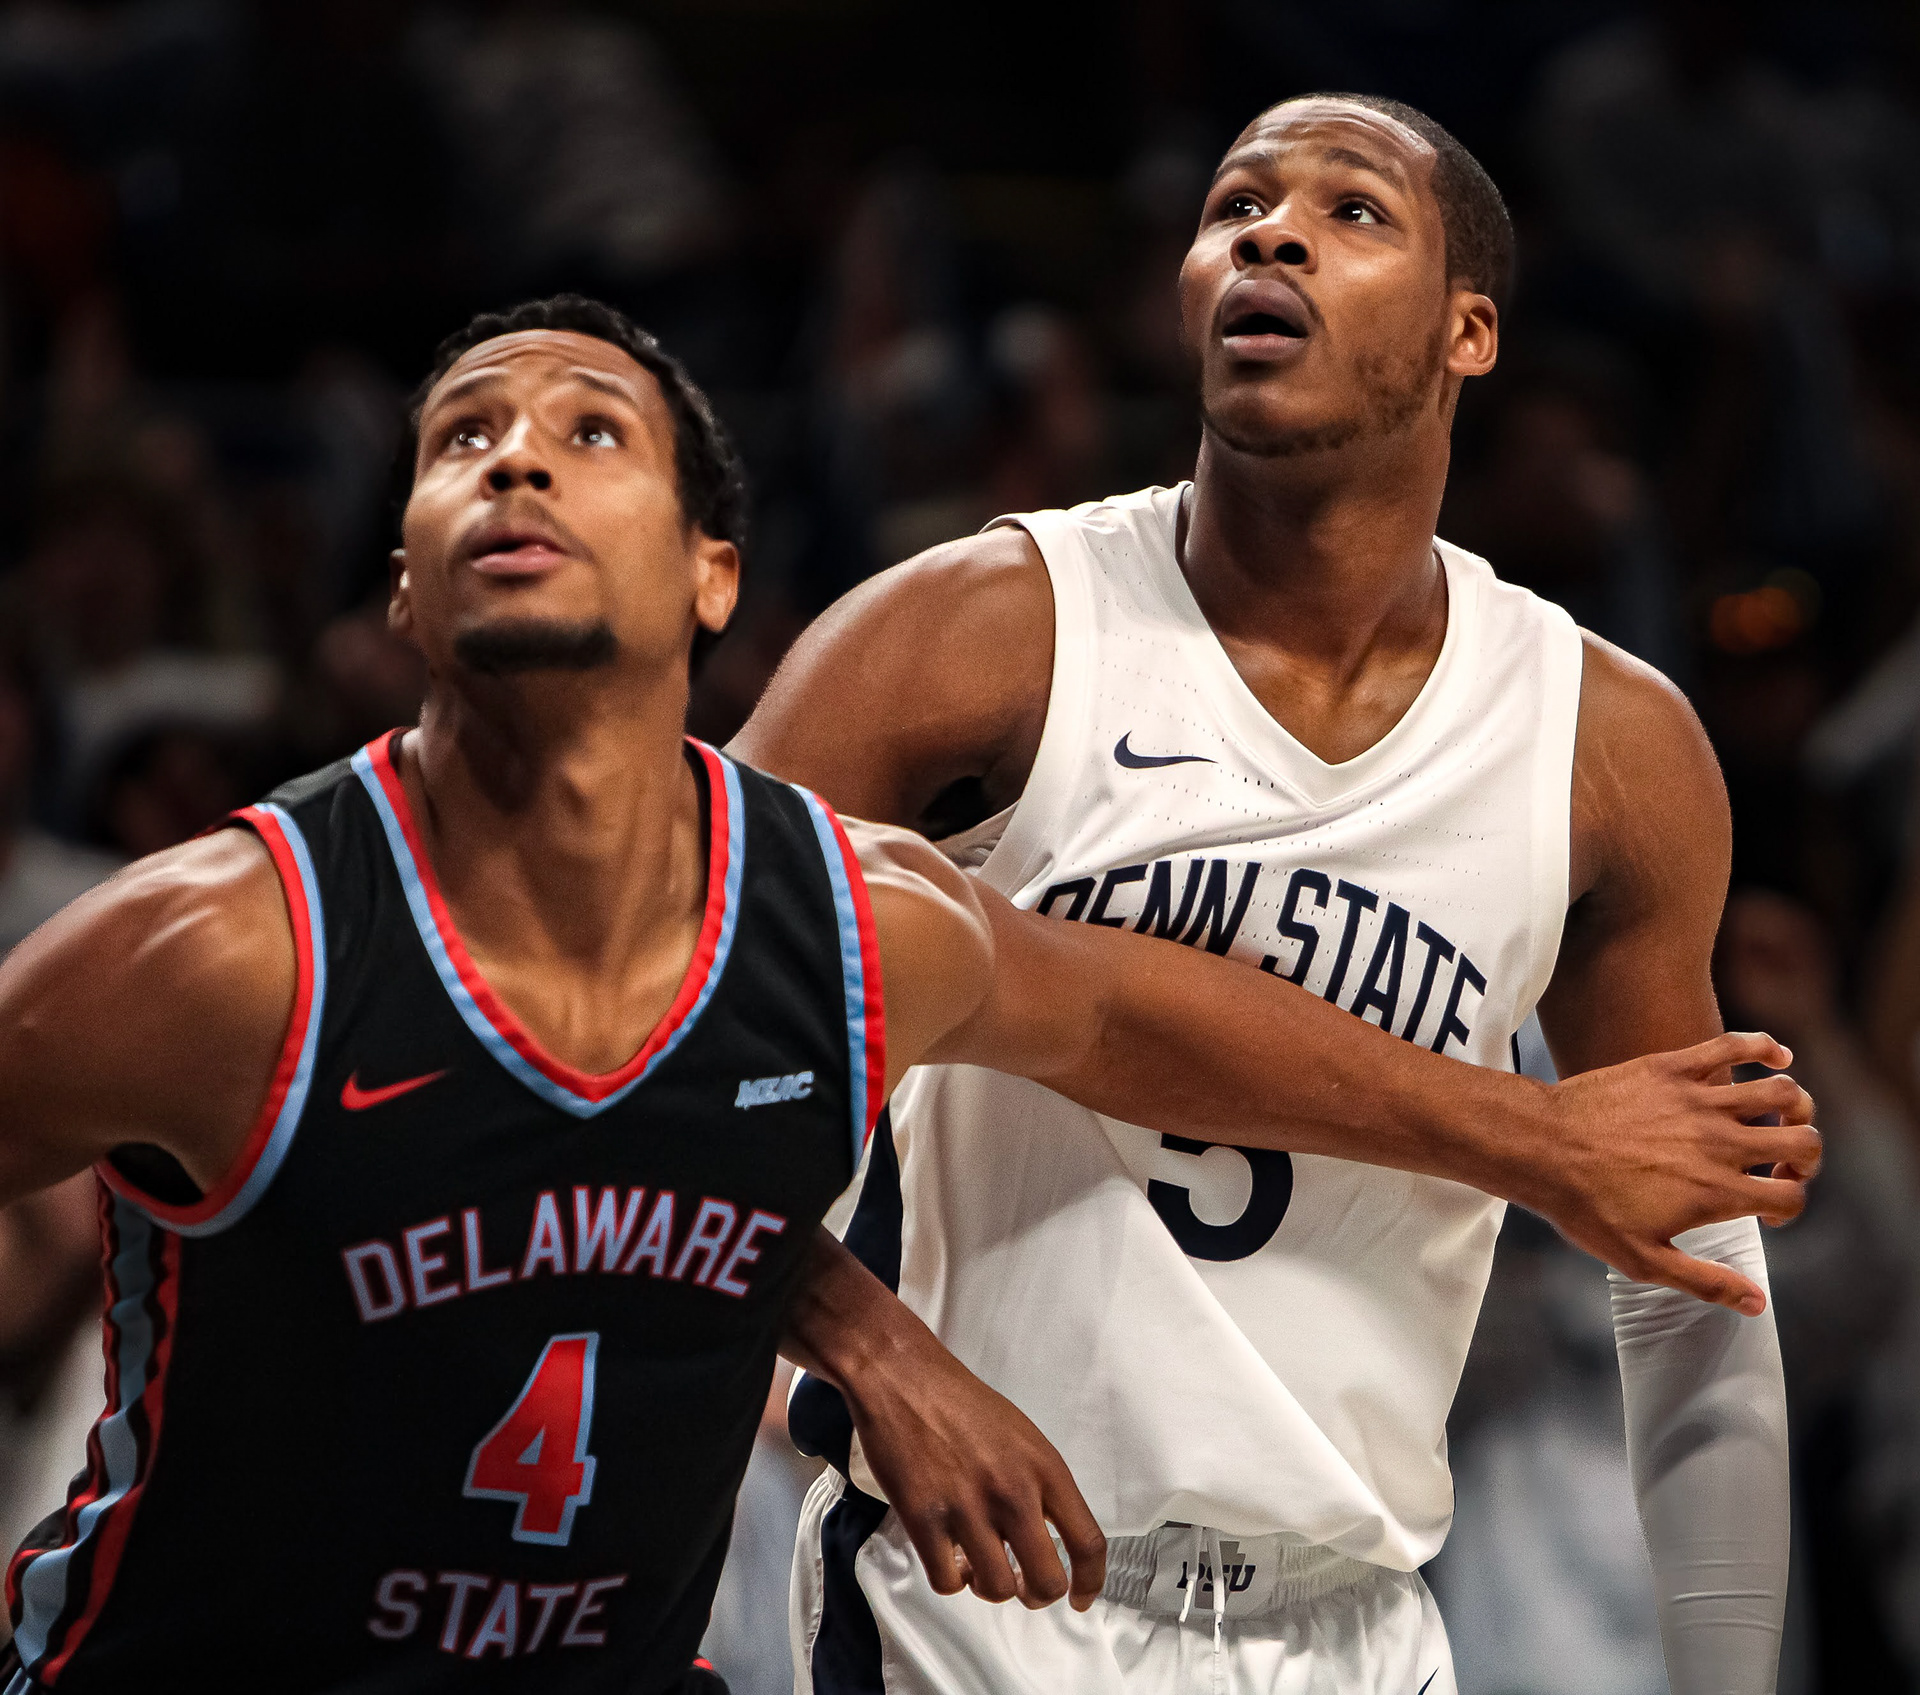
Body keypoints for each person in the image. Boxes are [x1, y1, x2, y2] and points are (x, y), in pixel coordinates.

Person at [0, 295, 1810, 1695]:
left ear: (713, 573)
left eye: (589, 430)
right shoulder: (218, 955)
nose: (518, 462)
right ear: (402, 580)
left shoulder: (846, 921)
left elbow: (1141, 1019)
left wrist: (1542, 1138)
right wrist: (873, 1341)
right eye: (463, 436)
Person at [741, 96, 1802, 1695]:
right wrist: (866, 1345)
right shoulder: (972, 635)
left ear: (1469, 333)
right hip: (982, 1605)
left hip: (1357, 1623)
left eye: (1351, 210)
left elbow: (1690, 1272)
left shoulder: (1611, 746)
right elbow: (649, 1036)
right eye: (1236, 206)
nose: (1272, 235)